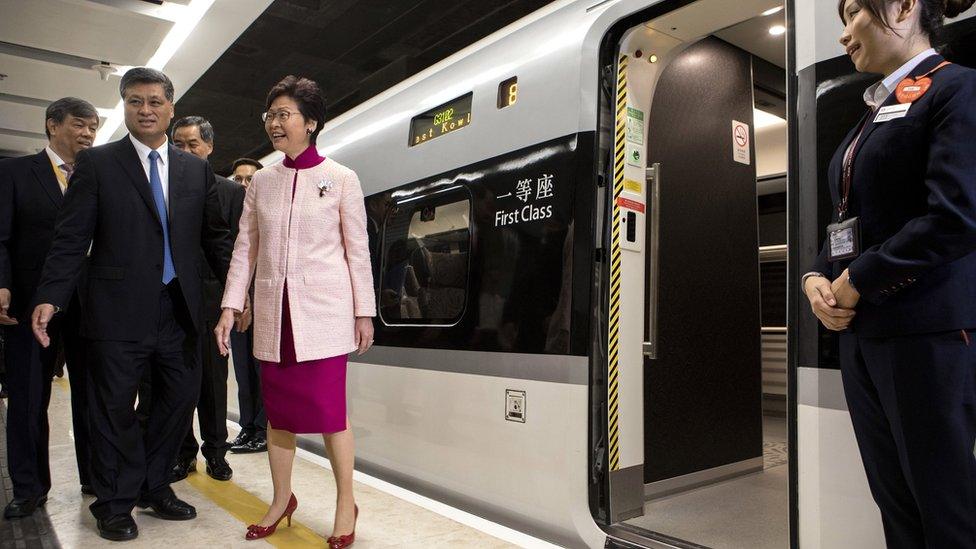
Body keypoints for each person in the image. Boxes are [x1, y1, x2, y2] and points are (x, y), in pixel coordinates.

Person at [30, 67, 233, 542]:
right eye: (136, 101)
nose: (146, 110)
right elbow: (70, 238)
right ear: (124, 106)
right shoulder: (98, 164)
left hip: (179, 311)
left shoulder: (194, 169)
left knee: (177, 403)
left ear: (171, 108)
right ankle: (115, 501)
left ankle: (154, 485)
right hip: (116, 310)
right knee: (113, 408)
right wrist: (49, 295)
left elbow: (215, 239)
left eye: (155, 101)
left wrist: (238, 292)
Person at [803, 1, 976, 546]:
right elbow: (845, 222)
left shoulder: (957, 89)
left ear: (903, 6)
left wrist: (857, 280)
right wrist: (816, 278)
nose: (843, 37)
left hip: (928, 335)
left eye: (852, 13)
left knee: (946, 511)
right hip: (865, 338)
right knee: (895, 504)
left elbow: (956, 215)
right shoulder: (870, 116)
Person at [214, 75, 375, 548]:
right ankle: (282, 498)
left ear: (312, 122)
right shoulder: (261, 181)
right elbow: (246, 248)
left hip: (324, 316)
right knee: (278, 416)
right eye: (271, 115)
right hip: (272, 315)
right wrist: (230, 304)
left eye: (284, 114)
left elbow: (357, 251)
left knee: (330, 414)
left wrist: (363, 312)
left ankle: (346, 502)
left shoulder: (342, 178)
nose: (274, 123)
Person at [0, 97, 99, 518]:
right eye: (79, 125)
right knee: (27, 396)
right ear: (51, 126)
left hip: (91, 305)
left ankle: (96, 477)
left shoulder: (99, 175)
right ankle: (29, 486)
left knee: (95, 396)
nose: (88, 134)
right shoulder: (15, 173)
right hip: (28, 301)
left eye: (93, 127)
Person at [169, 116, 243, 482]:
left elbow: (237, 251)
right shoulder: (163, 188)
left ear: (210, 147)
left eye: (192, 144)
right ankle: (184, 453)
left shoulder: (230, 193)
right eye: (177, 145)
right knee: (175, 381)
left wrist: (238, 300)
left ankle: (217, 452)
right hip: (171, 302)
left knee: (214, 383)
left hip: (214, 303)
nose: (184, 151)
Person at [227, 157, 268, 454]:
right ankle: (247, 427)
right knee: (243, 371)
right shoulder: (230, 218)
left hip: (265, 305)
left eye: (249, 179)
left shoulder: (268, 216)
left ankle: (264, 430)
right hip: (239, 304)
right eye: (238, 179)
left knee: (262, 371)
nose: (243, 184)